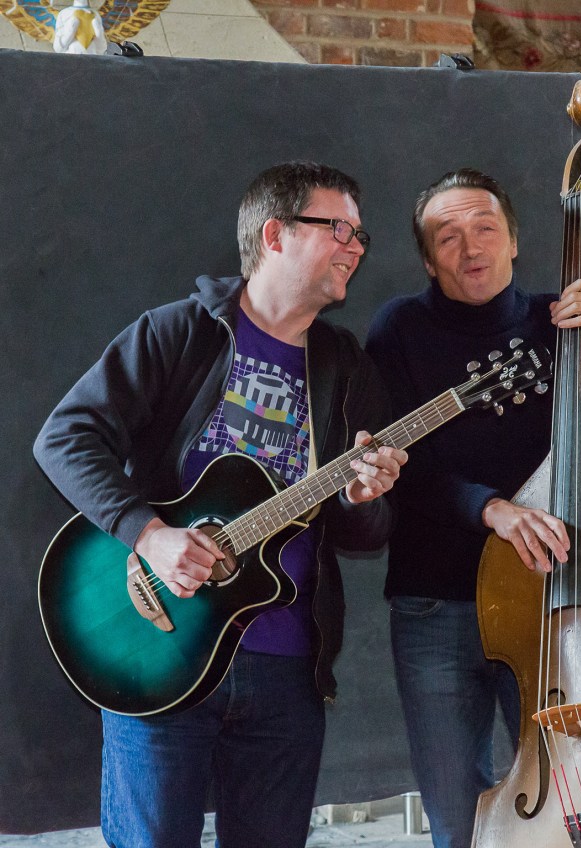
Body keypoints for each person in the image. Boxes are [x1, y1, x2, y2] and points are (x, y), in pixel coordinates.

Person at [33, 161, 408, 848]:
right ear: (275, 234)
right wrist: (149, 535)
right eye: (339, 228)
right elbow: (64, 437)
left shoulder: (348, 369)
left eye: (360, 234)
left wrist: (363, 497)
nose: (355, 246)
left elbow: (365, 534)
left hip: (285, 669)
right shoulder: (180, 333)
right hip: (155, 644)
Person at [365, 168, 581, 848]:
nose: (470, 247)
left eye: (485, 228)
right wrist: (492, 510)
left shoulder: (561, 322)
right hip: (436, 603)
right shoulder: (400, 329)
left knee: (574, 805)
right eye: (447, 237)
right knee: (459, 818)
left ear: (513, 242)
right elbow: (395, 467)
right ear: (428, 260)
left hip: (550, 603)